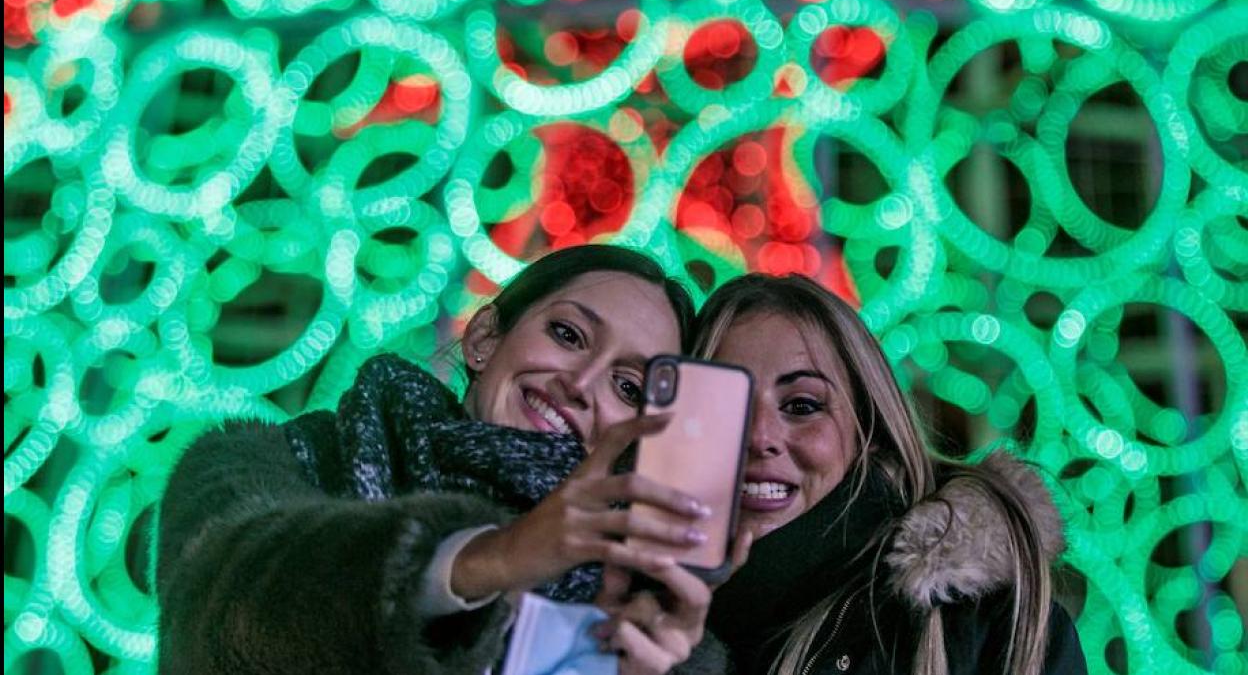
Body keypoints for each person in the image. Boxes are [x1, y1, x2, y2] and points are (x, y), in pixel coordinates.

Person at [156, 245, 718, 675]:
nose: (581, 383)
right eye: (568, 334)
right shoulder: (263, 464)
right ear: (483, 339)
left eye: (627, 386)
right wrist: (492, 557)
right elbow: (220, 603)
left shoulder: (645, 622)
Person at [692, 273, 1087, 675]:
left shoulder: (989, 631)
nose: (759, 437)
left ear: (869, 433)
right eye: (724, 405)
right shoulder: (639, 624)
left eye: (802, 406)